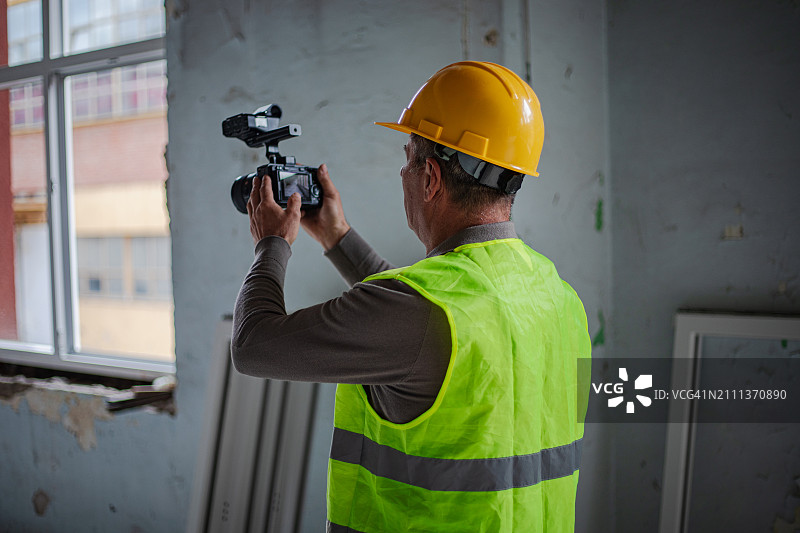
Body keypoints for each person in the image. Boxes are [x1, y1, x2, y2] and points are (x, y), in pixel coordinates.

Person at [231, 61, 591, 533]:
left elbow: (254, 346)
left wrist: (271, 244)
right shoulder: (556, 295)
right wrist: (337, 235)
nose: (403, 172)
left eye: (407, 158)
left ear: (431, 179)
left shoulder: (418, 311)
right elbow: (421, 326)